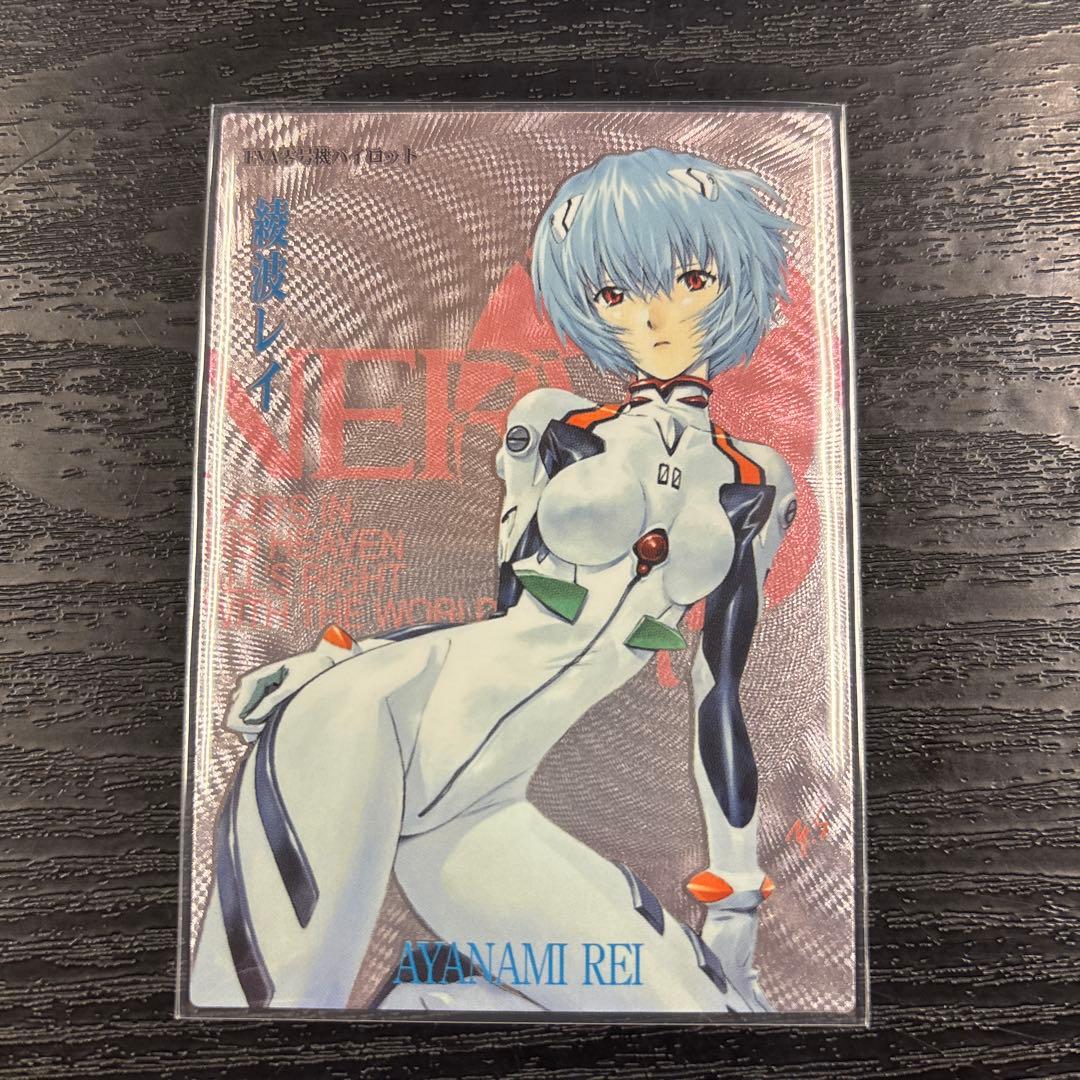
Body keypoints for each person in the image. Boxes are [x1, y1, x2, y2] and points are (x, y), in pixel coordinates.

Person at [190, 147, 797, 1013]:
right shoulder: (551, 425)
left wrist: (735, 901)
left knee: (700, 1013)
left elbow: (720, 689)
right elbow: (505, 613)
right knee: (268, 1018)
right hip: (370, 723)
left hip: (480, 814)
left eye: (690, 279)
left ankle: (424, 998)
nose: (652, 316)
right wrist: (340, 661)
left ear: (735, 279)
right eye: (614, 293)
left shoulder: (757, 481)